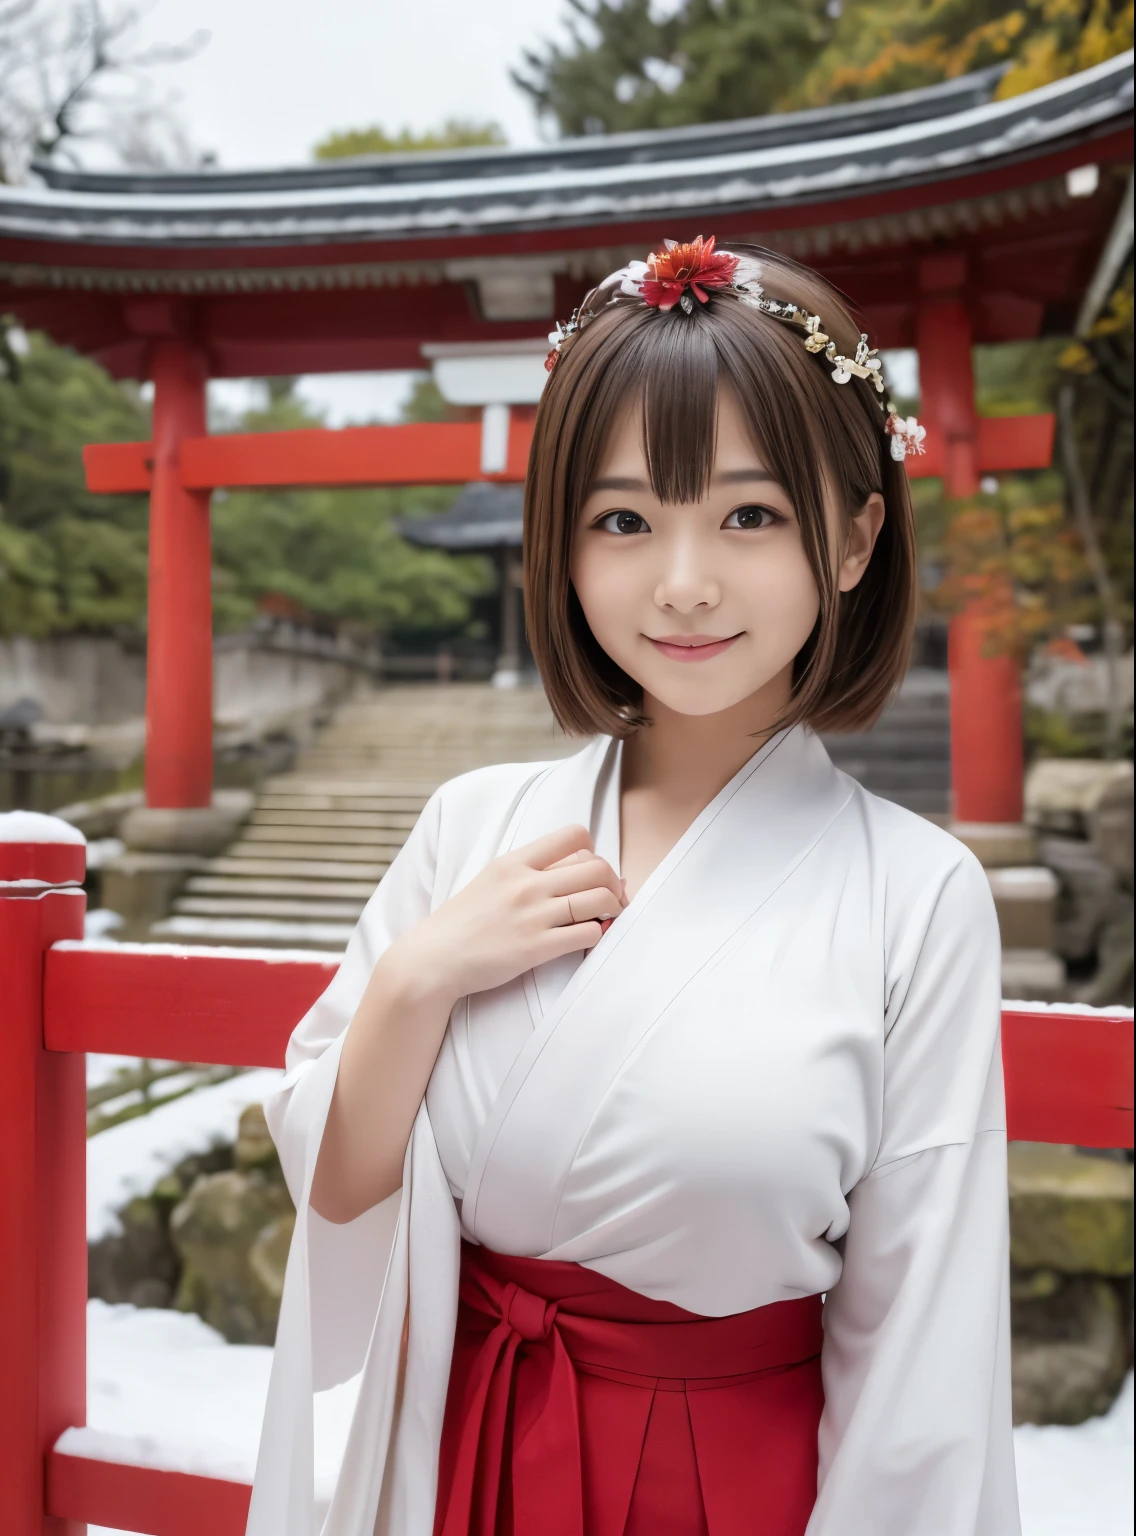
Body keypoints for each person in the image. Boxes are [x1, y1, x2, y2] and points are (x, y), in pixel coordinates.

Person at [247, 239, 1019, 1536]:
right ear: (560, 544)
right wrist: (413, 983)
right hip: (466, 1457)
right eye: (624, 520)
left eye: (750, 515)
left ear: (853, 538)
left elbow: (921, 1353)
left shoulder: (919, 894)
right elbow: (336, 1194)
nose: (683, 583)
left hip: (725, 1487)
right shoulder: (473, 827)